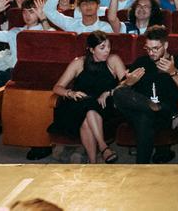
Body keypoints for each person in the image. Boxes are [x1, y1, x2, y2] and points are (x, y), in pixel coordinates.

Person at [111, 25, 178, 163]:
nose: (151, 53)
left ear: (166, 45)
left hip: (161, 119)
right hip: (141, 111)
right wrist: (129, 82)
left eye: (155, 48)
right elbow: (120, 90)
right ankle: (163, 109)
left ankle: (141, 168)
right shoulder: (141, 62)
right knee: (119, 92)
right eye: (148, 48)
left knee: (144, 118)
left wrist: (173, 72)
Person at [0, 0, 49, 141]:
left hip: (36, 75)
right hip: (14, 72)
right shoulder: (15, 32)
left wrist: (44, 19)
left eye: (32, 11)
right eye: (25, 12)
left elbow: (53, 41)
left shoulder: (45, 30)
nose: (28, 15)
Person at [48, 31, 127, 163]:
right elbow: (57, 87)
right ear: (91, 49)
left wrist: (109, 92)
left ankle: (93, 162)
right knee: (87, 108)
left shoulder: (113, 60)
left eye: (108, 46)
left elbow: (126, 84)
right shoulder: (78, 63)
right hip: (78, 105)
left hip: (104, 105)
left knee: (88, 115)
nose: (107, 50)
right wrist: (70, 93)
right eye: (102, 47)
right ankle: (103, 148)